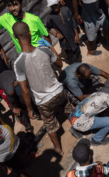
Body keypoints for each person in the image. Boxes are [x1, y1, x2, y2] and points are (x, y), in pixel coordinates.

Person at [13, 21, 68, 155]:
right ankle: (77, 128)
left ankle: (58, 149)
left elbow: (25, 90)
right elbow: (60, 64)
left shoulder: (18, 63)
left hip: (43, 101)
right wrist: (51, 48)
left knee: (49, 124)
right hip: (59, 92)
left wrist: (29, 109)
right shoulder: (44, 50)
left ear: (15, 37)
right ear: (30, 33)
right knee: (68, 109)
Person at [0, 0, 57, 68]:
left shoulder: (34, 19)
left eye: (15, 4)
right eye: (9, 5)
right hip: (25, 57)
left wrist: (49, 53)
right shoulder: (5, 19)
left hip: (39, 52)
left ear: (21, 3)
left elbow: (46, 36)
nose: (13, 8)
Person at [0, 70, 38, 136]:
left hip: (12, 79)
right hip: (7, 85)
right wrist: (14, 107)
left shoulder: (21, 81)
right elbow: (9, 96)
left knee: (29, 97)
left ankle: (37, 111)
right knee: (16, 110)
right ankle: (28, 126)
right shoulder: (9, 90)